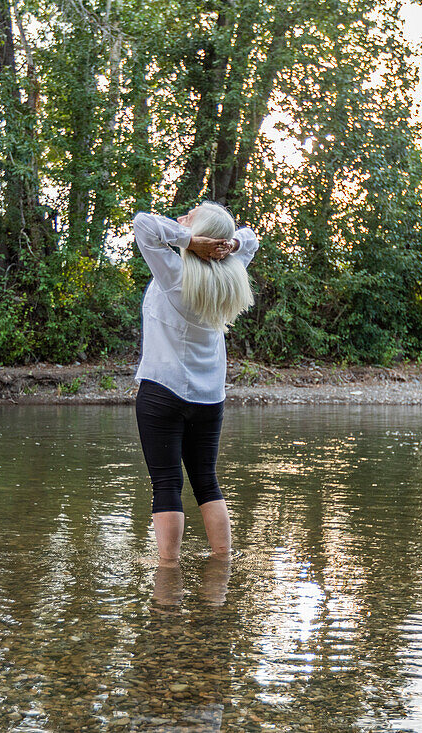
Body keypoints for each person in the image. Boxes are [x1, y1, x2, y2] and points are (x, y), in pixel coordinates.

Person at [133, 202, 259, 565]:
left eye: (191, 216)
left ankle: (168, 575)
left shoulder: (173, 272)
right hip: (209, 397)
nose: (184, 216)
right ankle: (222, 565)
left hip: (162, 391)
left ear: (201, 235)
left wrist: (188, 241)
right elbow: (250, 240)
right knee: (206, 481)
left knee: (166, 484)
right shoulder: (229, 274)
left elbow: (144, 224)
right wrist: (227, 247)